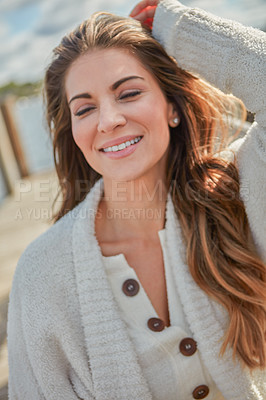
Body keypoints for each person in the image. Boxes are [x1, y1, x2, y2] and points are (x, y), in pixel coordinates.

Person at [7, 0, 266, 399]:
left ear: (172, 108)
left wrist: (179, 28)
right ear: (75, 133)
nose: (108, 120)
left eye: (128, 93)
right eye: (85, 108)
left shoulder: (238, 196)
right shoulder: (43, 275)